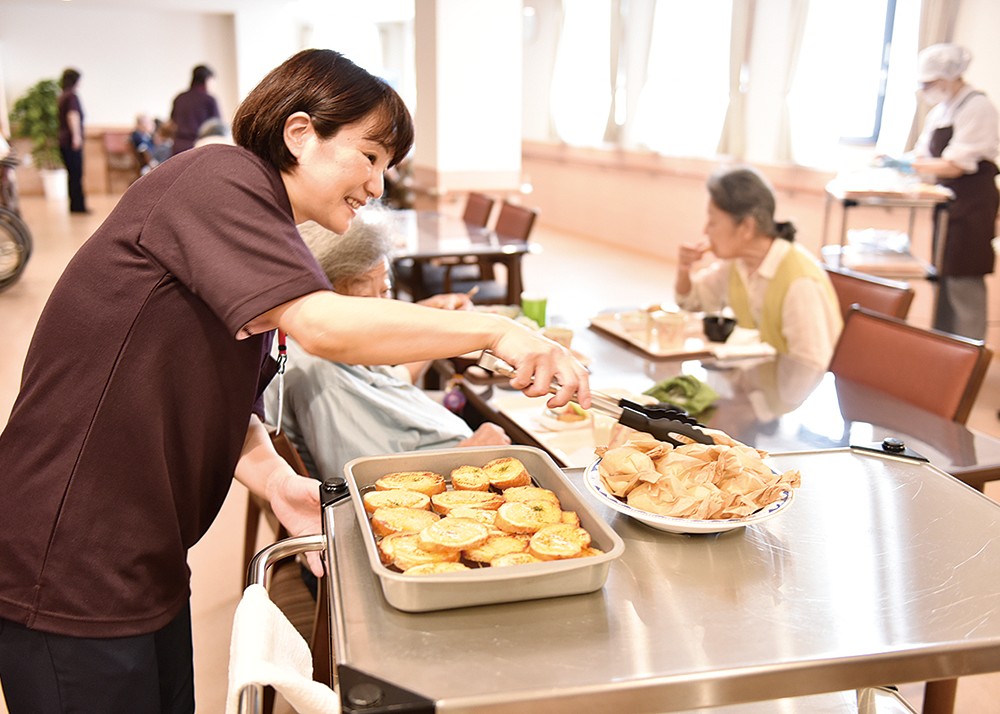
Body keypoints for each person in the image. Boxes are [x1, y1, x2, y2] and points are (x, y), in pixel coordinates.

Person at [0, 48, 588, 714]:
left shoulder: (262, 229)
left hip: (144, 550)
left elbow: (229, 408)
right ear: (300, 132)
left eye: (388, 168)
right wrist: (495, 330)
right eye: (370, 157)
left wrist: (280, 485)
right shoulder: (219, 177)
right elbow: (324, 326)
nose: (378, 185)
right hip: (68, 553)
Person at [265, 218, 511, 483]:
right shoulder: (323, 378)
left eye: (386, 292)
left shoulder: (327, 345)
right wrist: (471, 453)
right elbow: (368, 483)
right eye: (366, 299)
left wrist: (428, 320)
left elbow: (388, 382)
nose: (383, 312)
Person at [675, 166, 842, 370]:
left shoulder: (800, 282)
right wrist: (684, 269)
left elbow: (811, 367)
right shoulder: (737, 264)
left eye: (713, 222)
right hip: (759, 387)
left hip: (793, 394)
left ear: (746, 227)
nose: (705, 230)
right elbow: (692, 302)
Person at [908, 43, 999, 340]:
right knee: (944, 279)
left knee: (964, 280)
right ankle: (944, 349)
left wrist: (920, 165)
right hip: (948, 207)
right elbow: (923, 156)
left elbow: (956, 165)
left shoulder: (978, 107)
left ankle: (970, 356)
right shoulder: (940, 112)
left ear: (946, 78)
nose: (925, 89)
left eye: (929, 83)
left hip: (972, 206)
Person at [170, 64, 221, 155]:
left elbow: (173, 121)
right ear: (207, 80)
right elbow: (217, 127)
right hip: (200, 148)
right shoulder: (209, 100)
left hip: (178, 148)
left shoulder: (179, 98)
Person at [57, 67, 88, 214]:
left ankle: (74, 205)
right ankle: (79, 207)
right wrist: (76, 136)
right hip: (71, 140)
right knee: (77, 174)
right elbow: (72, 115)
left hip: (62, 140)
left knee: (72, 175)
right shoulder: (72, 96)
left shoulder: (62, 95)